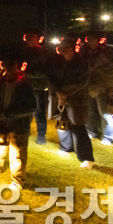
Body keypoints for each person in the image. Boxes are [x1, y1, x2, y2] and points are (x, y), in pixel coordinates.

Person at [0, 52, 36, 191]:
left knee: (18, 150)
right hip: (1, 119)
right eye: (5, 63)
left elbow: (31, 106)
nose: (8, 66)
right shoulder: (0, 82)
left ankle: (17, 180)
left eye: (11, 64)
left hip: (19, 123)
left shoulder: (25, 85)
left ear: (17, 66)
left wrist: (10, 115)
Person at [48, 37, 94, 169]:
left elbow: (82, 82)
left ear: (73, 49)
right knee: (61, 123)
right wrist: (57, 92)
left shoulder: (82, 63)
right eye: (61, 49)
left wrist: (65, 93)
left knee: (78, 127)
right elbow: (50, 77)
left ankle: (86, 157)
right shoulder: (57, 62)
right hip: (59, 97)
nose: (63, 52)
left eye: (66, 49)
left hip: (76, 99)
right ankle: (66, 148)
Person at [81, 31, 113, 146]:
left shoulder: (106, 52)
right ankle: (91, 131)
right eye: (89, 39)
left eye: (93, 39)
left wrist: (111, 84)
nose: (91, 41)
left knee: (104, 112)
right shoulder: (84, 51)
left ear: (97, 40)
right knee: (90, 110)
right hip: (89, 85)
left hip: (103, 85)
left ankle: (108, 136)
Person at [21, 28, 51, 145]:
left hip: (38, 87)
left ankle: (41, 135)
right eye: (27, 37)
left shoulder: (44, 53)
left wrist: (28, 74)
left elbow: (46, 71)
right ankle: (25, 130)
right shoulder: (24, 51)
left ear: (38, 39)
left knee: (38, 111)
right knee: (24, 110)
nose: (29, 39)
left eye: (32, 37)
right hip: (25, 85)